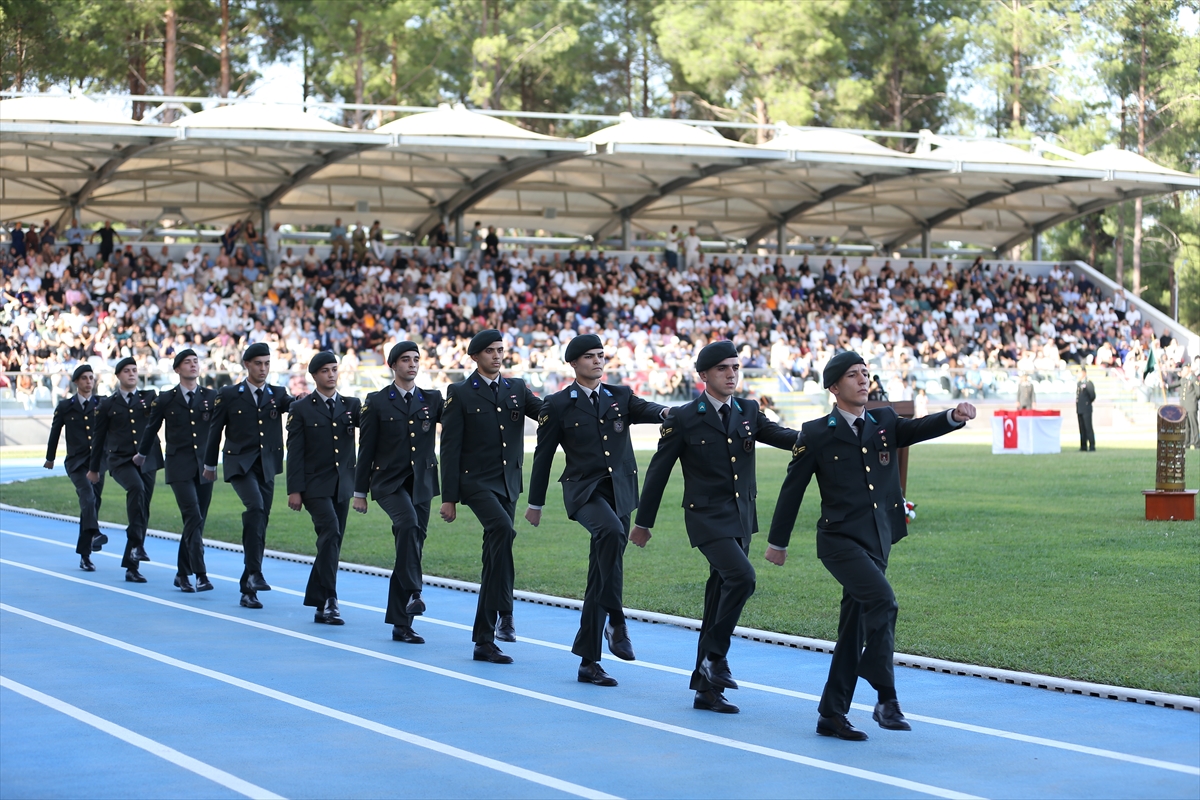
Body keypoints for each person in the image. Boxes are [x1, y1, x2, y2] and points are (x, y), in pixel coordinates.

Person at [764, 351, 975, 741]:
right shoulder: (815, 432)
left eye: (865, 374)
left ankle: (832, 713)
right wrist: (778, 542)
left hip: (878, 541)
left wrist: (953, 417)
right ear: (833, 387)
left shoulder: (884, 421)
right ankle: (886, 696)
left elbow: (919, 428)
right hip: (839, 542)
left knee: (854, 629)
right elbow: (792, 490)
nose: (863, 380)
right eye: (852, 375)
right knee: (883, 601)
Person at [632, 341, 800, 714]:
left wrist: (820, 439)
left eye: (736, 368)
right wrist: (643, 522)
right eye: (723, 368)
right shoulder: (684, 416)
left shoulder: (748, 411)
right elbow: (659, 472)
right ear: (704, 375)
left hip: (741, 518)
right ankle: (714, 657)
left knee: (718, 594)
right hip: (706, 518)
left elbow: (785, 438)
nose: (731, 375)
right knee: (742, 578)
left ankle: (705, 689)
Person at [526, 334, 669, 687]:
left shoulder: (619, 396)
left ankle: (588, 661)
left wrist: (667, 412)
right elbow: (542, 457)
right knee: (611, 532)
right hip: (584, 491)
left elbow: (648, 409)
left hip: (620, 493)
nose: (597, 361)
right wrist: (535, 503)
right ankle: (617, 620)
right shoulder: (558, 404)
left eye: (601, 355)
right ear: (573, 364)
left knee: (600, 576)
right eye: (589, 357)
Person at [439, 330, 542, 664]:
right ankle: (504, 612)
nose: (497, 356)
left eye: (500, 350)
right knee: (502, 530)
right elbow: (450, 448)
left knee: (496, 552)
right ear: (474, 357)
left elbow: (545, 413)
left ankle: (487, 636)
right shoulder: (460, 393)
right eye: (489, 351)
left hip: (508, 482)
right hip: (476, 482)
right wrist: (448, 498)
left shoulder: (517, 388)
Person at [354, 342, 443, 643]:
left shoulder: (432, 399)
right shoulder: (377, 401)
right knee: (408, 525)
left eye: (416, 359)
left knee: (411, 545)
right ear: (393, 365)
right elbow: (365, 449)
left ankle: (401, 623)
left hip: (422, 483)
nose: (412, 364)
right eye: (405, 360)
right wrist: (359, 491)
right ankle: (415, 591)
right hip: (388, 482)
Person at [204, 343, 297, 609]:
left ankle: (249, 586)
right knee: (255, 507)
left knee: (260, 521)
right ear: (247, 364)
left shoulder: (277, 393)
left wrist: (304, 401)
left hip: (267, 467)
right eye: (258, 363)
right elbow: (215, 431)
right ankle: (255, 573)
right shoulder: (230, 394)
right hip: (239, 464)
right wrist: (210, 465)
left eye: (267, 363)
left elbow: (292, 405)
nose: (263, 369)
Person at [288, 352, 362, 625]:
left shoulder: (351, 405)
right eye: (325, 371)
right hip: (313, 485)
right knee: (330, 530)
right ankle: (330, 598)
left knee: (332, 540)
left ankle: (319, 603)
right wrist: (294, 490)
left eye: (334, 369)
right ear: (315, 376)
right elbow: (294, 452)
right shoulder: (301, 408)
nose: (331, 374)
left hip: (343, 484)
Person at [137, 349, 217, 593]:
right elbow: (151, 429)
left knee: (196, 521)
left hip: (205, 467)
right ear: (177, 369)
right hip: (178, 466)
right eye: (187, 362)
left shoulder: (211, 397)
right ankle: (200, 574)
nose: (193, 365)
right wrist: (141, 454)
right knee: (193, 515)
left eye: (196, 361)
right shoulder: (166, 398)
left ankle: (182, 573)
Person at [87, 357, 161, 583]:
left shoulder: (149, 398)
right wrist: (94, 469)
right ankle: (136, 543)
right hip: (120, 460)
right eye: (126, 371)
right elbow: (98, 439)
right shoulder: (108, 404)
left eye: (134, 370)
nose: (131, 374)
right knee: (136, 489)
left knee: (143, 509)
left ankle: (132, 564)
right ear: (118, 376)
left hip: (148, 459)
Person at [45, 364, 107, 570]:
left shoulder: (103, 403)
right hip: (76, 463)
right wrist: (50, 458)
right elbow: (55, 432)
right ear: (76, 382)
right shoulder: (65, 406)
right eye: (84, 378)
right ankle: (95, 533)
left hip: (97, 463)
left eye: (91, 378)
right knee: (87, 497)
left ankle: (85, 555)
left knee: (91, 506)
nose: (89, 381)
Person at [1076, 368, 1096, 452]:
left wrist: (1087, 403)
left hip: (1086, 408)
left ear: (1084, 373)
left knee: (1088, 427)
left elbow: (1092, 395)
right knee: (1082, 428)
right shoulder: (1079, 383)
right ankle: (1083, 445)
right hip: (1080, 408)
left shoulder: (1088, 383)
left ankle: (1092, 445)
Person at [1182, 362, 1199, 450]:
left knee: (1194, 425)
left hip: (1192, 406)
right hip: (1185, 406)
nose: (1183, 370)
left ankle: (1196, 443)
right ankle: (1187, 443)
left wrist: (1193, 400)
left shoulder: (1194, 379)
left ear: (1189, 369)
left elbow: (1198, 392)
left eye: (1184, 368)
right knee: (1186, 426)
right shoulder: (1184, 380)